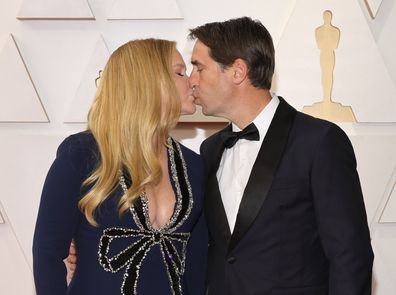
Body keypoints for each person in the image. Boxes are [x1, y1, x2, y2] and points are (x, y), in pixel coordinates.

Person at [188, 17, 373, 295]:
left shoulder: (319, 142)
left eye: (199, 68)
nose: (192, 81)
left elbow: (350, 256)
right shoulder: (210, 149)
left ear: (238, 71)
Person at [32, 39, 207, 295]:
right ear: (148, 81)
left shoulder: (193, 166)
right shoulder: (82, 154)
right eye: (180, 72)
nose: (191, 81)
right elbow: (47, 253)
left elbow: (197, 265)